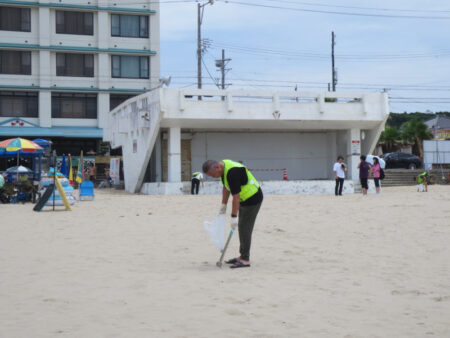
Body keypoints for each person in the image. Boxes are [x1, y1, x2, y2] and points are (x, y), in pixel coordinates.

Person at [202, 159, 263, 269]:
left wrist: (233, 217)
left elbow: (236, 196)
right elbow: (226, 188)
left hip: (253, 199)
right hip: (244, 199)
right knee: (241, 227)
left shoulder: (232, 172)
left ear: (217, 168)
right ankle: (242, 256)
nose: (213, 177)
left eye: (212, 175)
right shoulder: (223, 169)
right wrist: (223, 205)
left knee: (245, 228)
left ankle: (245, 259)